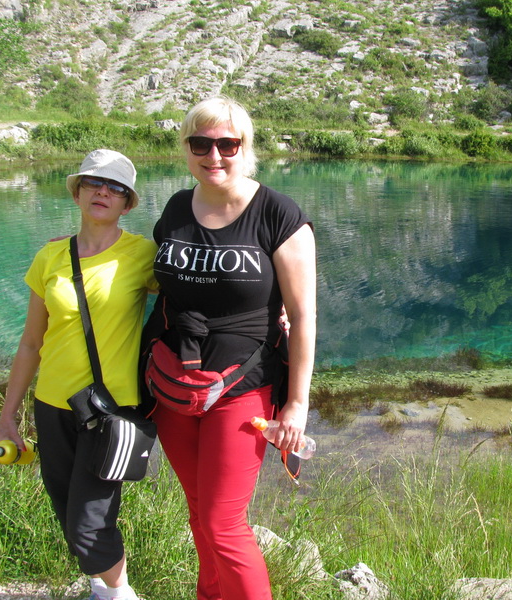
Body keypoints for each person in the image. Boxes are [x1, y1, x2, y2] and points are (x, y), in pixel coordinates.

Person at [141, 96, 316, 600]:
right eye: (200, 143)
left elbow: (303, 316)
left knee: (223, 522)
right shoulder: (177, 207)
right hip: (175, 383)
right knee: (200, 514)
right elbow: (160, 279)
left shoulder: (278, 214)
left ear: (246, 147)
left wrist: (297, 404)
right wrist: (88, 247)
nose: (213, 155)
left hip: (243, 386)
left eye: (227, 144)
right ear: (186, 148)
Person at [0, 149, 157, 600]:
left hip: (111, 410)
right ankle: (104, 591)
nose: (103, 192)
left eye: (116, 188)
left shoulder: (143, 254)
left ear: (127, 203)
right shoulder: (50, 256)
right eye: (93, 183)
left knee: (89, 527)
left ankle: (121, 595)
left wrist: (273, 308)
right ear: (77, 193)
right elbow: (31, 343)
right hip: (52, 405)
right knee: (67, 513)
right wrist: (7, 417)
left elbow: (195, 290)